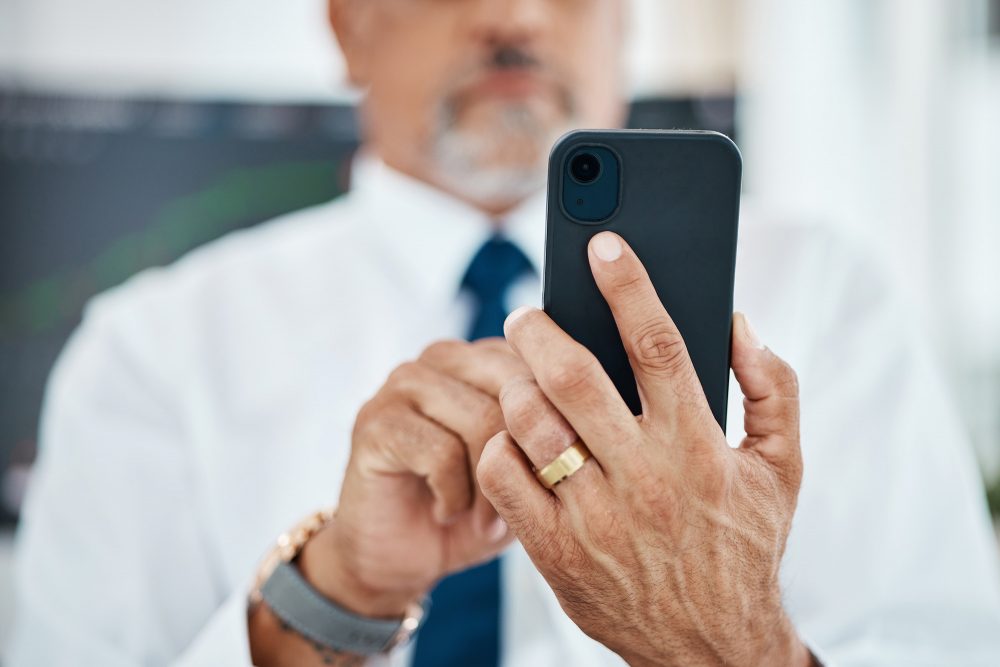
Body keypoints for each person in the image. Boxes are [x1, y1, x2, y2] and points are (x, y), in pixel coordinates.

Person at [8, 0, 1000, 665]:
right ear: (349, 26)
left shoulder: (834, 298)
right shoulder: (150, 354)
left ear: (625, 26)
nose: (514, 16)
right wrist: (330, 596)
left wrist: (728, 633)